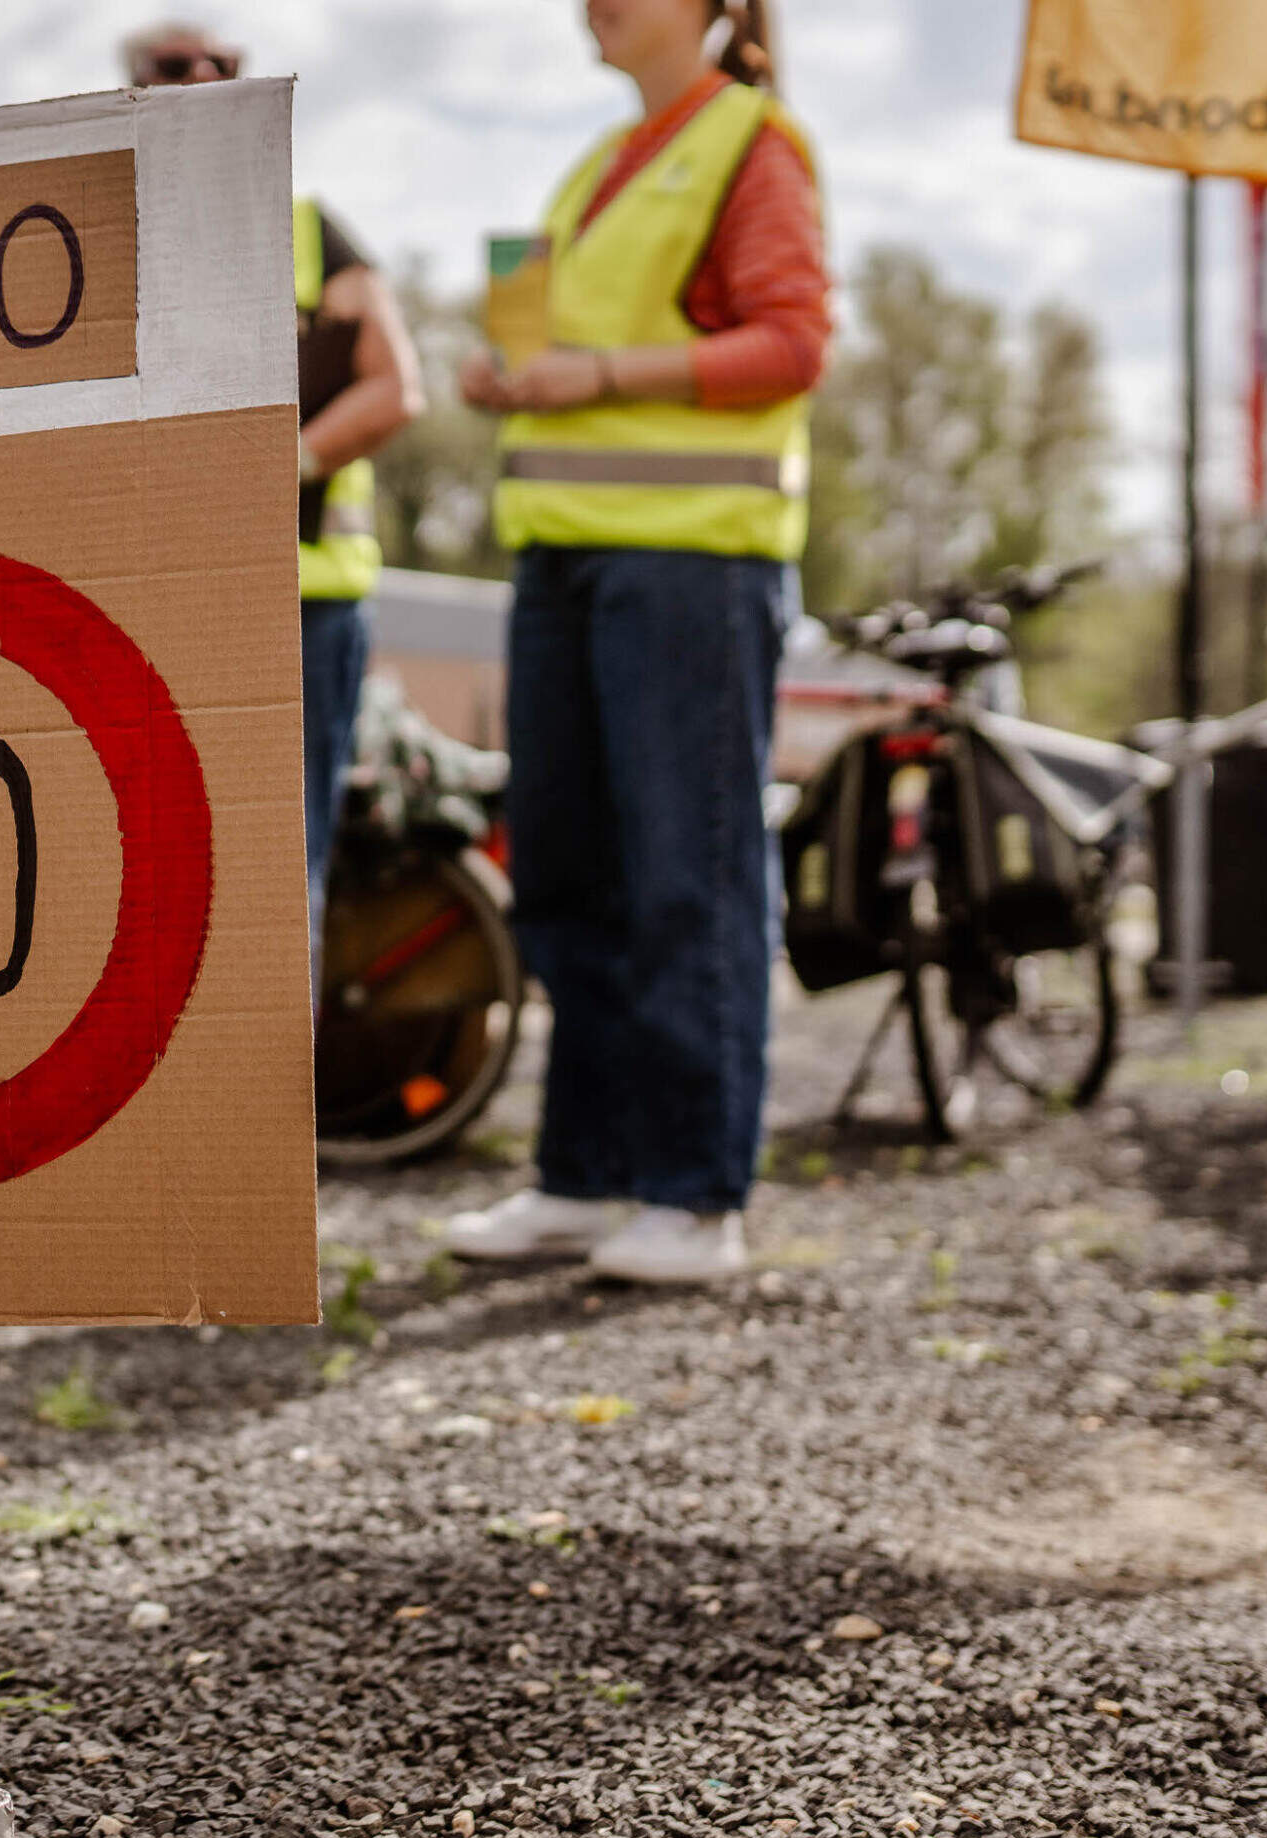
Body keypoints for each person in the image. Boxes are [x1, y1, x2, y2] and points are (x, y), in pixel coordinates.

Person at [436, 0, 829, 1285]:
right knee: (567, 874)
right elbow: (568, 344)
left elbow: (793, 344)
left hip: (691, 563)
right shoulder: (598, 164)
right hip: (565, 554)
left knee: (684, 876)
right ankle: (582, 1177)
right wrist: (510, 375)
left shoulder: (750, 144)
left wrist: (597, 377)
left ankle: (693, 1196)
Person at [120, 21, 426, 938]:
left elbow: (397, 388)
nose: (204, 77)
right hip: (164, 594)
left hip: (304, 600)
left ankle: (289, 1039)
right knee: (157, 861)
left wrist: (278, 463)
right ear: (131, 85)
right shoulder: (101, 230)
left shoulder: (310, 229)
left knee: (281, 873)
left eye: (224, 64)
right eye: (175, 65)